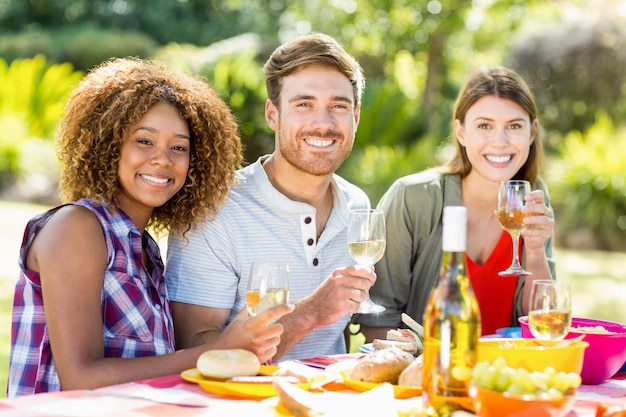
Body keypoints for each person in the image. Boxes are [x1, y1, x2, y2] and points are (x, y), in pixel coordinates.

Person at [7, 57, 292, 397]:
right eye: (144, 140)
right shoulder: (77, 227)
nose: (163, 158)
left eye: (179, 147)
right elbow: (80, 378)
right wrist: (214, 350)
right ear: (108, 145)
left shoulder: (144, 247)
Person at [165, 33, 374, 361]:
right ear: (273, 114)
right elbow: (194, 351)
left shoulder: (357, 205)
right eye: (304, 104)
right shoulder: (215, 210)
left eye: (339, 106)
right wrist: (308, 314)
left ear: (356, 117)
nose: (323, 123)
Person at [354, 66, 556, 339]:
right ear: (460, 132)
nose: (500, 141)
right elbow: (378, 318)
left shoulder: (532, 199)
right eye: (484, 125)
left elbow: (541, 323)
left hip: (504, 375)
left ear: (532, 133)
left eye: (514, 126)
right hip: (428, 374)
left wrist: (534, 248)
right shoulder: (413, 198)